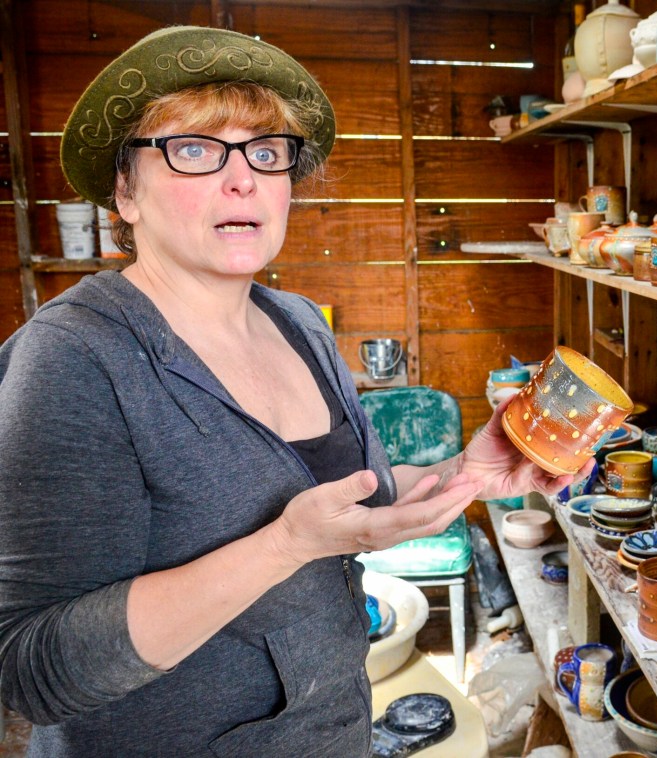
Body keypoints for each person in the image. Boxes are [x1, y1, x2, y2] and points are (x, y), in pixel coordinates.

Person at [0, 26, 591, 756]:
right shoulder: (74, 357)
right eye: (193, 150)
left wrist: (472, 470)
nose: (241, 177)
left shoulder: (299, 322)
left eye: (266, 151)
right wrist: (283, 546)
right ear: (126, 191)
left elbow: (359, 498)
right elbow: (28, 669)